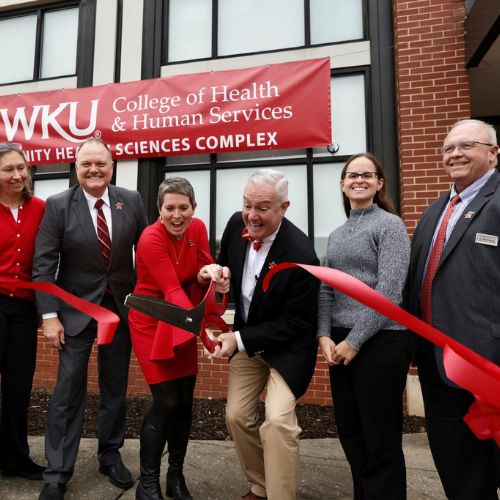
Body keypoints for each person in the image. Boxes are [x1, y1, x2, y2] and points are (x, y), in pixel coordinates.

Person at [32, 137, 148, 500]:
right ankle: (57, 472)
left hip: (119, 312)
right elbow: (44, 265)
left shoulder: (131, 200)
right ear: (76, 166)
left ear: (112, 165)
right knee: (68, 390)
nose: (94, 170)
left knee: (115, 387)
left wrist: (148, 304)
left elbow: (145, 253)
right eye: (87, 164)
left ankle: (109, 454)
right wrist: (49, 316)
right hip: (74, 315)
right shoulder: (58, 206)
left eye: (101, 163)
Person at [406, 119, 500, 499]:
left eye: (467, 145)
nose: (455, 154)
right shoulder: (434, 212)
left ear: (493, 152)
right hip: (438, 364)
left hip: (489, 365)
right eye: (448, 148)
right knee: (457, 468)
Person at [214, 168, 319, 500]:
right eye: (247, 204)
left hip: (288, 349)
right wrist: (221, 282)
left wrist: (238, 340)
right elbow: (223, 267)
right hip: (248, 339)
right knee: (236, 416)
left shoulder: (302, 254)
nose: (251, 215)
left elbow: (296, 323)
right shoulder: (235, 224)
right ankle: (261, 485)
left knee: (276, 422)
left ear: (284, 207)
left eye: (262, 208)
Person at [317, 153, 411, 499]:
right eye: (352, 174)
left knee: (380, 436)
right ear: (342, 183)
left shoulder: (389, 225)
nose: (359, 180)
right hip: (341, 343)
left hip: (382, 341)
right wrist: (324, 334)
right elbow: (327, 285)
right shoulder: (337, 234)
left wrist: (355, 341)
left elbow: (389, 290)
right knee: (351, 431)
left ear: (379, 183)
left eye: (367, 175)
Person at [129, 177, 229, 500]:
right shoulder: (149, 239)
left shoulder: (197, 228)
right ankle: (147, 484)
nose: (177, 215)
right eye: (169, 208)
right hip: (153, 317)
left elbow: (200, 268)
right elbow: (171, 289)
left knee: (185, 401)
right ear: (159, 210)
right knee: (166, 400)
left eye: (183, 208)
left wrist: (212, 276)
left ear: (193, 208)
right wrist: (208, 335)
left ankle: (175, 477)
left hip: (184, 316)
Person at [0, 142, 46, 480]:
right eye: (8, 169)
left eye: (21, 168)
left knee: (19, 388)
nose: (17, 175)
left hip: (26, 309)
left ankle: (15, 458)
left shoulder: (42, 208)